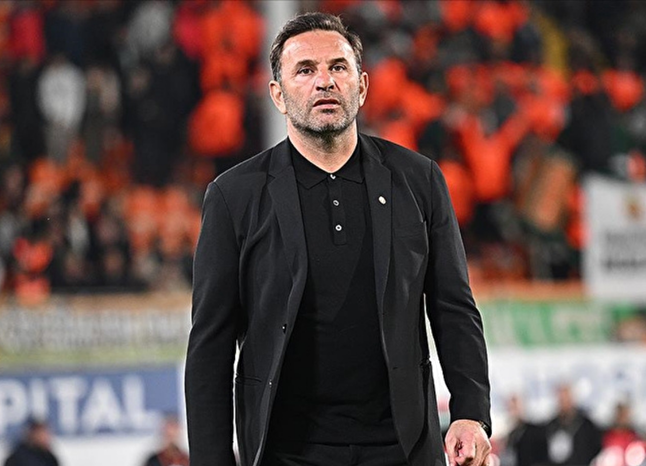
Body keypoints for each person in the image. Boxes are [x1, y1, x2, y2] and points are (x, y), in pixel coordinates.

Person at [185, 12, 491, 466]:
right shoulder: (234, 196)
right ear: (278, 95)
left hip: (403, 449)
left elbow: (454, 308)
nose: (324, 81)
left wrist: (471, 414)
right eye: (305, 70)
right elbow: (210, 344)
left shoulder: (419, 180)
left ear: (361, 87)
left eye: (338, 67)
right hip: (287, 454)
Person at [544, 383, 602, 466]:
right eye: (561, 399)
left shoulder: (586, 425)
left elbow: (596, 451)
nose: (564, 403)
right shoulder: (551, 426)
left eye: (566, 398)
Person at [500, 394, 548, 466]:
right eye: (511, 408)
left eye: (515, 407)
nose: (513, 412)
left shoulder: (535, 431)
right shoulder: (511, 436)